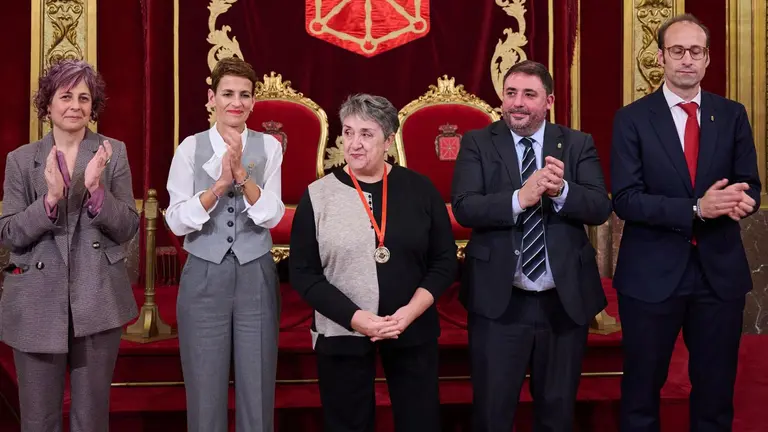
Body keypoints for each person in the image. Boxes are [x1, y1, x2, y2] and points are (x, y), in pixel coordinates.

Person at [611, 14, 760, 432]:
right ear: (661, 57)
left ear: (708, 59)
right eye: (677, 51)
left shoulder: (731, 115)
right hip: (650, 277)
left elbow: (752, 186)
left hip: (719, 276)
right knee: (641, 393)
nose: (687, 60)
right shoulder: (633, 119)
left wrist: (740, 201)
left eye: (696, 51)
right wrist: (696, 209)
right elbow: (625, 199)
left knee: (715, 395)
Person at [451, 60, 612, 431]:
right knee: (492, 412)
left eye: (528, 94)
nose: (517, 103)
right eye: (510, 93)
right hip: (500, 301)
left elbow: (600, 207)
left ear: (549, 101)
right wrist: (519, 198)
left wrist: (561, 191)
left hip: (563, 301)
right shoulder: (478, 142)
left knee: (556, 413)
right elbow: (464, 206)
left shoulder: (576, 143)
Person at [289, 93, 457, 432]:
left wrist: (408, 314)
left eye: (366, 134)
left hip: (410, 328)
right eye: (348, 132)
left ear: (389, 140)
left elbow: (444, 261)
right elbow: (304, 273)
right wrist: (356, 318)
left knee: (420, 421)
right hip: (342, 331)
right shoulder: (318, 195)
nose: (355, 144)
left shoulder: (420, 190)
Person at [0, 59, 139, 431]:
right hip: (34, 303)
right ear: (47, 105)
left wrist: (96, 191)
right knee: (38, 420)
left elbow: (128, 227)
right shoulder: (20, 160)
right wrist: (49, 198)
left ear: (94, 106)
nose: (76, 105)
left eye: (84, 97)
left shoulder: (114, 154)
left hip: (97, 301)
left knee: (90, 419)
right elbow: (9, 232)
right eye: (65, 96)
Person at [164, 57, 285, 431]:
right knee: (204, 390)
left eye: (245, 95)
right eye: (228, 93)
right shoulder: (190, 147)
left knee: (258, 386)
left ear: (253, 101)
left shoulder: (269, 147)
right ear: (211, 97)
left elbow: (272, 215)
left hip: (256, 274)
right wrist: (217, 187)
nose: (237, 102)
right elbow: (176, 219)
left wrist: (241, 177)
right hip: (203, 274)